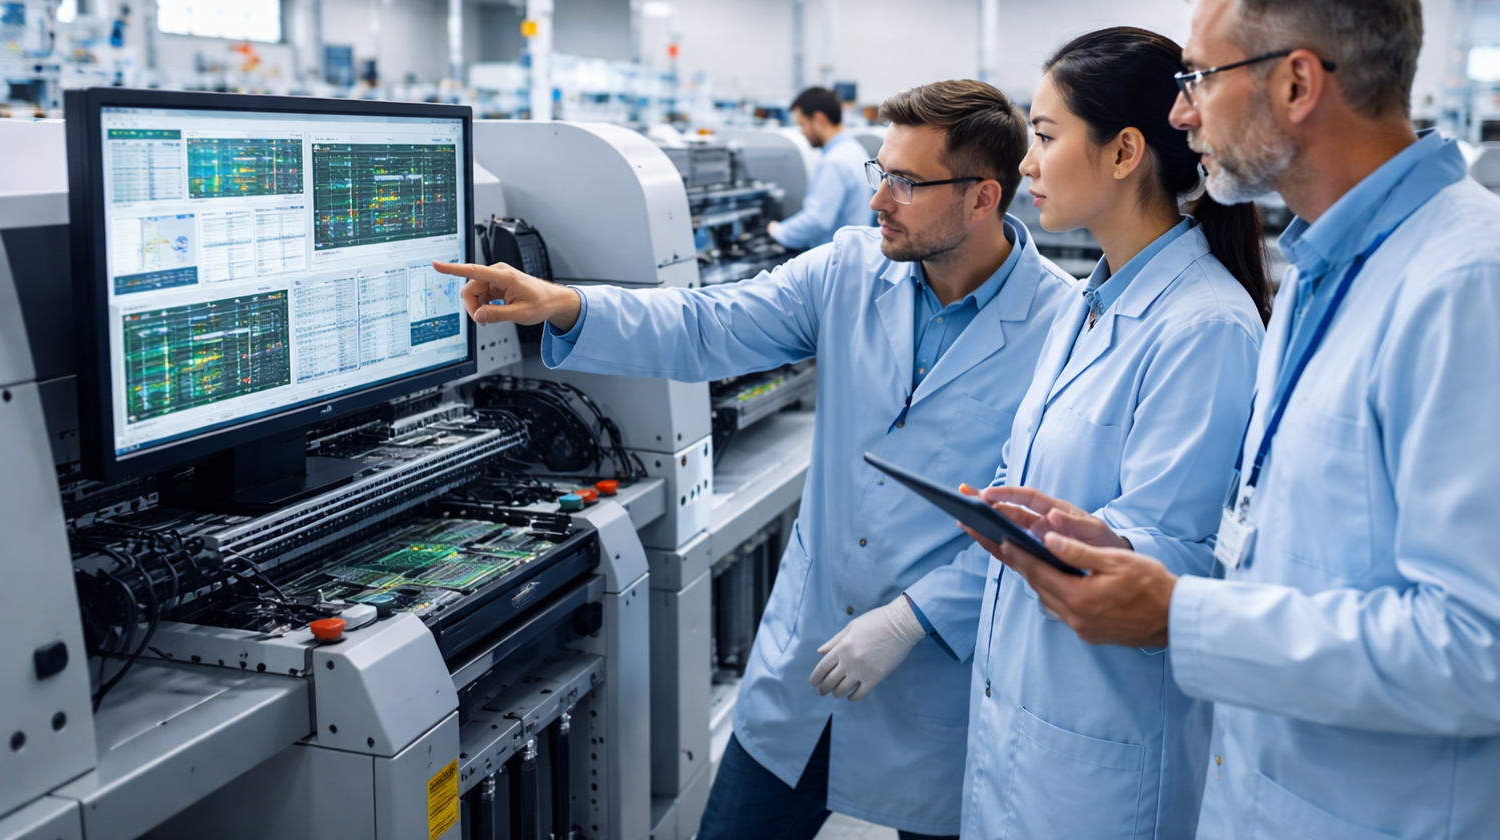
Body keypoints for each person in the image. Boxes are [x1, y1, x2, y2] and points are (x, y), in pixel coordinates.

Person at [988, 0, 1500, 840]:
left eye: (1200, 78)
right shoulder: (1324, 273)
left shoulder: (1470, 285)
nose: (1184, 112)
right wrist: (1123, 542)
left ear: (1295, 81)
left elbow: (1490, 652)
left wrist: (1180, 617)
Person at [435, 80, 1074, 840]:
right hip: (803, 662)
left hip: (935, 674)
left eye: (905, 182)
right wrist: (568, 304)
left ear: (982, 198)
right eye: (881, 173)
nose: (878, 202)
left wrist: (912, 621)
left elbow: (1037, 524)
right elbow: (711, 325)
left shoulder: (1062, 328)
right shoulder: (847, 269)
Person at [943, 28, 1267, 839]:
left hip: (1106, 750)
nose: (1026, 163)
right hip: (1024, 719)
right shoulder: (1089, 304)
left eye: (1045, 137)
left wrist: (1096, 542)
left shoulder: (1206, 326)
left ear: (1125, 152)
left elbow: (1191, 560)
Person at [767, 86, 875, 249]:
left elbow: (817, 220)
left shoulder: (835, 161)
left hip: (834, 260)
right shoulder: (856, 151)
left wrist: (778, 231)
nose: (802, 132)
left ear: (819, 120)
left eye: (802, 124)